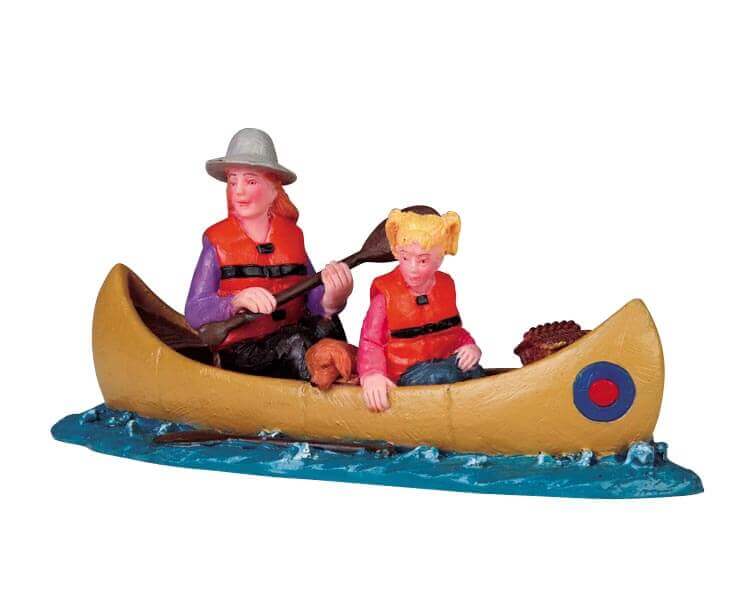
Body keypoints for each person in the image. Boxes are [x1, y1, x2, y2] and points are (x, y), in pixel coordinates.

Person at [185, 128, 353, 379]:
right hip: (244, 349)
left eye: (250, 181)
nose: (239, 191)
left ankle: (349, 379)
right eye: (233, 181)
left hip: (289, 333)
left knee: (327, 327)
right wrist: (234, 302)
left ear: (274, 190)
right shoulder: (217, 242)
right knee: (297, 343)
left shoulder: (292, 236)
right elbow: (195, 310)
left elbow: (312, 300)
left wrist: (332, 300)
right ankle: (324, 395)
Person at [358, 209, 484, 412]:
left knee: (473, 372)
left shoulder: (445, 285)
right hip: (406, 375)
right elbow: (371, 341)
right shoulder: (386, 295)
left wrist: (469, 346)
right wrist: (372, 374)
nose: (413, 268)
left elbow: (452, 330)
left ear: (439, 258)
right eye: (405, 258)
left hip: (444, 362)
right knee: (443, 376)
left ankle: (475, 413)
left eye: (423, 260)